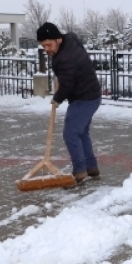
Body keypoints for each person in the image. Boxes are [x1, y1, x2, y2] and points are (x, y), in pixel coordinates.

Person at [37, 22, 102, 186]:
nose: (46, 49)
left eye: (49, 45)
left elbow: (67, 85)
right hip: (91, 94)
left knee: (71, 134)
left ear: (58, 39)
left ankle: (80, 172)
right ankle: (91, 167)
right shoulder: (69, 40)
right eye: (43, 46)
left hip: (84, 98)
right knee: (81, 133)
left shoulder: (66, 58)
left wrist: (57, 98)